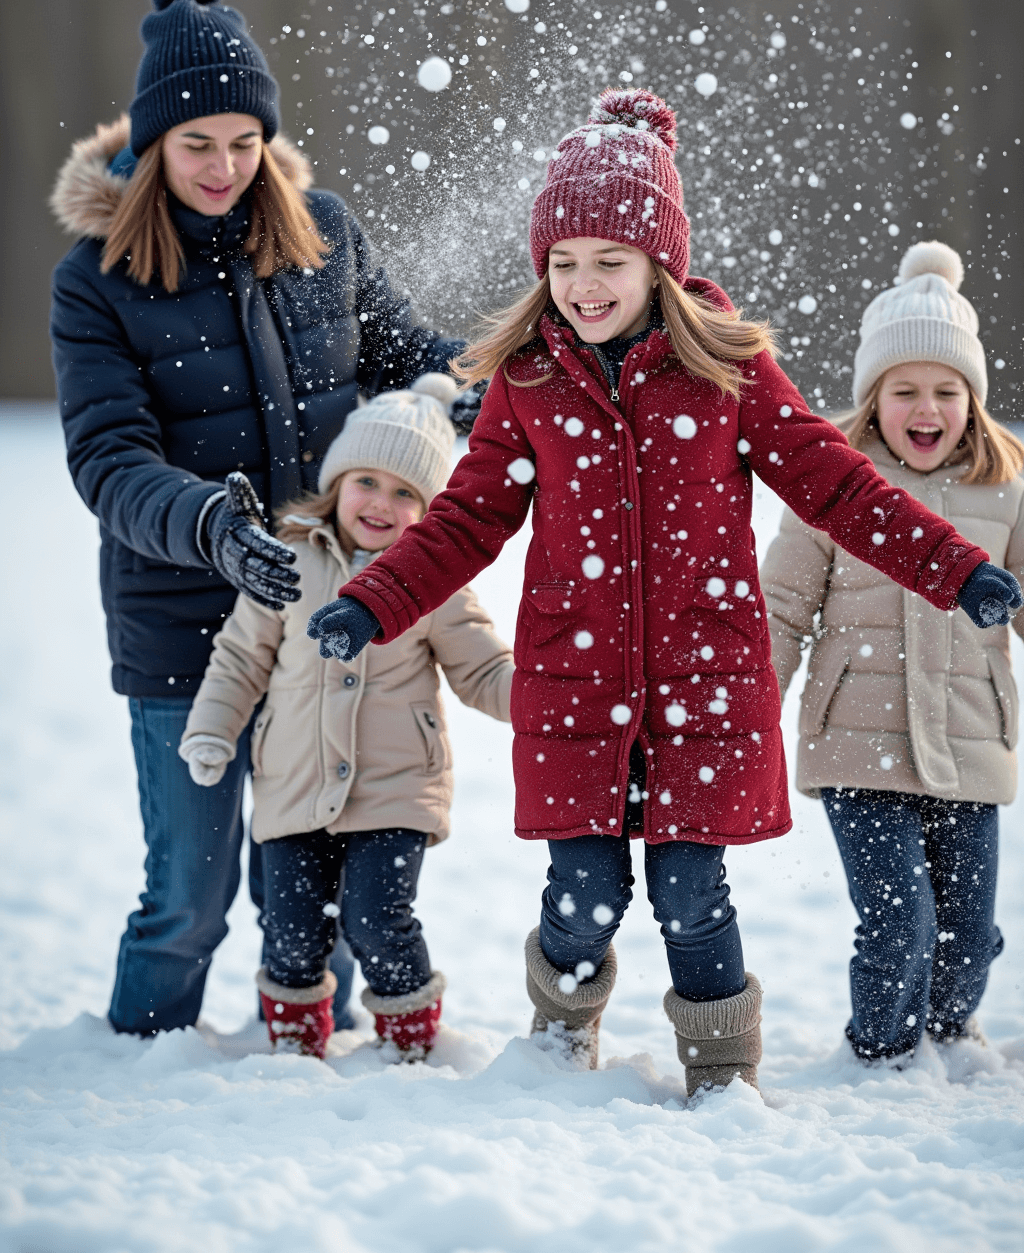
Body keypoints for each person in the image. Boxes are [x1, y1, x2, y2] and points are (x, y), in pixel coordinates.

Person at [304, 88, 1020, 1096]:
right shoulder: (528, 379)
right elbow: (467, 520)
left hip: (704, 683)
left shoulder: (726, 369)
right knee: (581, 895)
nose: (584, 285)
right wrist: (371, 600)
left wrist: (955, 569)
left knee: (692, 895)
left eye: (609, 261)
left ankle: (722, 1075)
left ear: (660, 264)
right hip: (577, 682)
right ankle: (556, 1042)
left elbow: (835, 484)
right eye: (563, 263)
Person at [49, 0, 471, 1038]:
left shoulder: (321, 233)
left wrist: (461, 392)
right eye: (197, 144)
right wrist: (212, 530)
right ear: (151, 145)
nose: (225, 166)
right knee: (189, 900)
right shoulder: (96, 279)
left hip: (324, 625)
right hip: (181, 628)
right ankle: (137, 1070)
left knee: (314, 896)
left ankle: (299, 1085)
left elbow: (407, 353)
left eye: (245, 141)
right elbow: (108, 458)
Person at [178, 377, 513, 1059]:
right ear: (336, 483)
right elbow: (241, 660)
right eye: (367, 481)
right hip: (293, 785)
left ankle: (411, 1047)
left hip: (394, 791)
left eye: (404, 493)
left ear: (429, 509)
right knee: (291, 929)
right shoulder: (289, 562)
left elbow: (482, 671)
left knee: (378, 921)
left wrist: (552, 706)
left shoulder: (434, 581)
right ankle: (295, 1051)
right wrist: (212, 729)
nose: (381, 504)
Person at [762, 242, 1024, 1066]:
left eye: (946, 390)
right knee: (899, 920)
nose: (927, 406)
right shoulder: (831, 485)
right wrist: (752, 711)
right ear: (872, 400)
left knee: (969, 929)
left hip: (969, 734)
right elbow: (782, 606)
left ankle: (951, 1037)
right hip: (857, 736)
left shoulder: (1005, 485)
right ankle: (877, 1054)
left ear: (971, 400)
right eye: (904, 389)